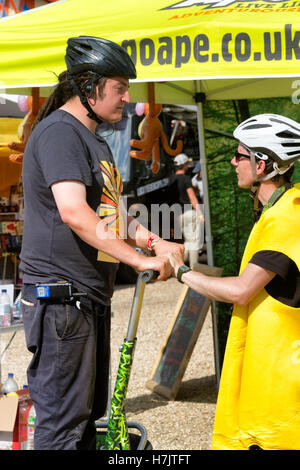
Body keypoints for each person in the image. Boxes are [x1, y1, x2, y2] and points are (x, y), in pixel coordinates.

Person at [19, 36, 183, 450]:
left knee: (86, 421)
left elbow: (109, 212)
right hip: (61, 302)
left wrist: (154, 242)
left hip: (85, 300)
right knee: (64, 426)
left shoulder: (93, 138)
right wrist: (137, 261)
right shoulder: (59, 132)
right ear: (88, 85)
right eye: (119, 87)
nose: (127, 98)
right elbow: (75, 212)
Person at [169, 114, 300, 450]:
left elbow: (241, 290)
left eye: (241, 155)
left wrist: (182, 272)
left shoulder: (286, 216)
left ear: (263, 165)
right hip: (272, 369)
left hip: (280, 379)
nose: (233, 161)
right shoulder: (280, 209)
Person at [170, 153, 204, 268]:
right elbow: (192, 197)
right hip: (190, 212)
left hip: (178, 215)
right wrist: (200, 213)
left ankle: (180, 265)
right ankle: (193, 268)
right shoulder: (185, 179)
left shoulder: (170, 180)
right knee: (194, 242)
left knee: (187, 241)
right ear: (184, 165)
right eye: (187, 164)